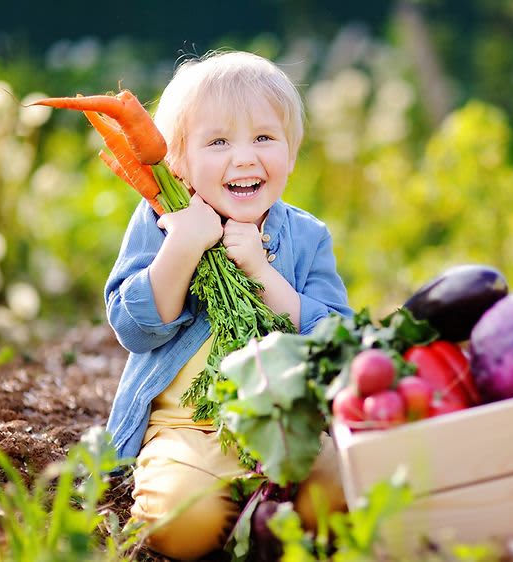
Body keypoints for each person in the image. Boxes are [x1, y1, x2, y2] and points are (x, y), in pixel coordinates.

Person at [103, 50, 353, 560]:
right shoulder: (160, 222)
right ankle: (238, 517)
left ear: (292, 151)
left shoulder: (306, 236)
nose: (244, 158)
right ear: (178, 161)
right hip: (188, 429)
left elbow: (338, 344)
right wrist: (183, 247)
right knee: (180, 520)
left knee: (346, 488)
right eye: (218, 142)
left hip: (287, 426)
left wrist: (264, 274)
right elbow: (134, 328)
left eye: (264, 138)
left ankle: (265, 515)